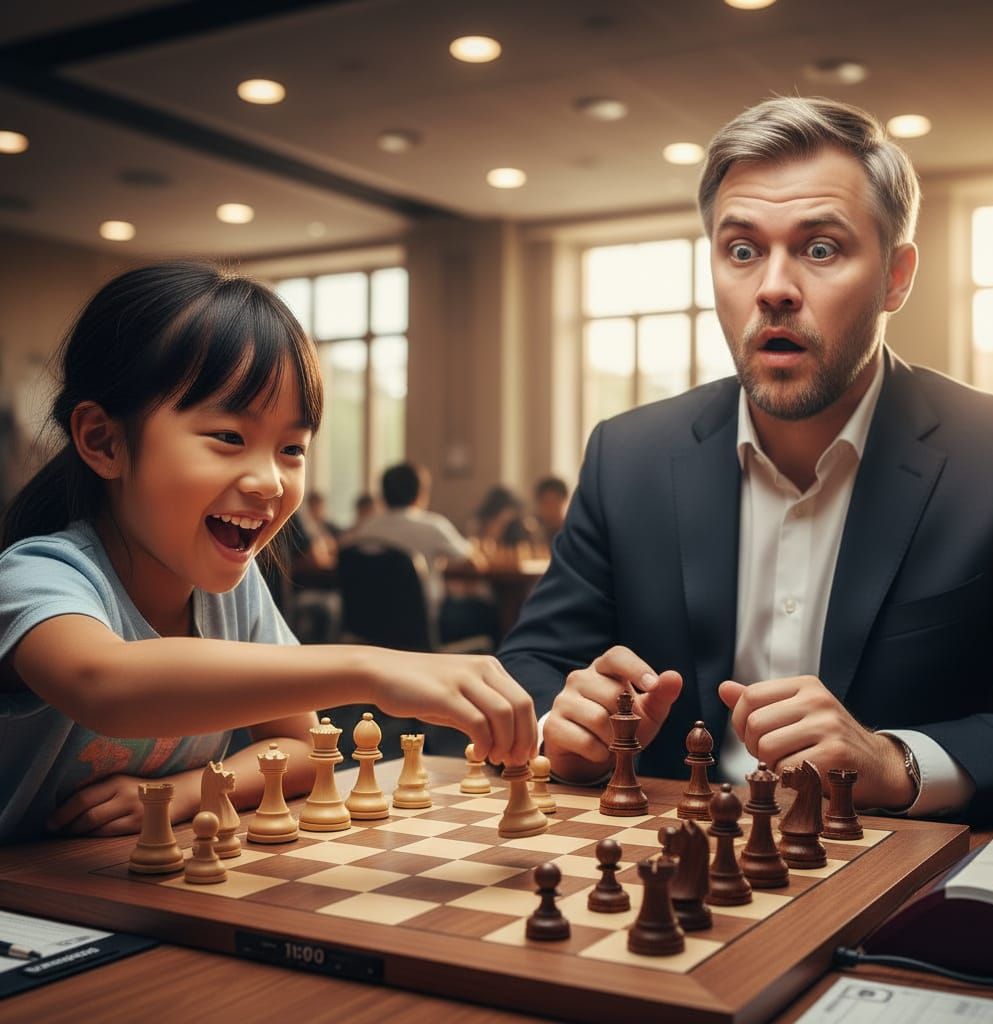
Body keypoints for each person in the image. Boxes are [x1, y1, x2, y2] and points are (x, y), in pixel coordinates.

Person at [500, 96, 993, 826]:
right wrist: (569, 723)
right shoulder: (629, 455)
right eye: (742, 251)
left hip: (890, 862)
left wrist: (893, 761)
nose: (773, 288)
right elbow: (531, 667)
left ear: (896, 277)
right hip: (669, 855)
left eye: (821, 249)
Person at [0, 262, 536, 843]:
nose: (270, 482)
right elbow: (104, 684)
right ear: (104, 441)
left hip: (109, 881)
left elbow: (302, 748)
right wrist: (373, 668)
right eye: (229, 437)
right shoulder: (39, 576)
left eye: (291, 449)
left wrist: (185, 793)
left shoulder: (233, 588)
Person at [345, 462, 499, 646]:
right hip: (426, 624)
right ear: (421, 493)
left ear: (383, 495)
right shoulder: (432, 525)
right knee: (488, 609)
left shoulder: (366, 528)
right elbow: (475, 562)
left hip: (371, 625)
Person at [532, 476, 569, 547]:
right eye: (545, 504)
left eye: (553, 503)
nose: (549, 510)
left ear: (564, 501)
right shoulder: (535, 534)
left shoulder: (572, 535)